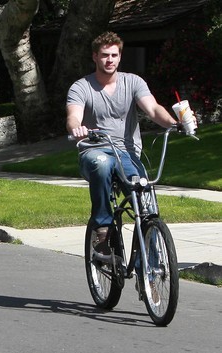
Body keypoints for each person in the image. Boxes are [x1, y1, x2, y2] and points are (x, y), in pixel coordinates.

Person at [65, 32, 190, 254]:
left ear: (120, 57)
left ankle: (150, 269)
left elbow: (152, 109)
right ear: (95, 56)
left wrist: (173, 123)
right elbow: (73, 115)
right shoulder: (81, 87)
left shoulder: (133, 82)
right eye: (104, 55)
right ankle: (102, 228)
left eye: (114, 55)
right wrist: (77, 128)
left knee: (145, 200)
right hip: (94, 150)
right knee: (102, 164)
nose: (109, 60)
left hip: (127, 154)